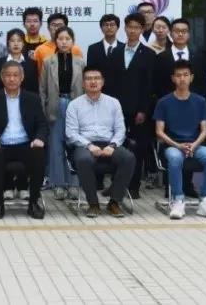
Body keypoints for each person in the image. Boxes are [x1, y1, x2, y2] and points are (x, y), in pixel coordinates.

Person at [0, 61, 48, 219]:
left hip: (25, 145)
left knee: (39, 152)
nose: (11, 79)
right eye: (8, 75)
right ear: (2, 77)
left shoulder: (32, 99)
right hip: (1, 145)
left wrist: (39, 139)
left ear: (22, 77)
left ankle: (33, 203)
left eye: (15, 75)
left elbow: (42, 125)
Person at [154, 60, 206, 220]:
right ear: (173, 78)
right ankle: (178, 200)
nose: (182, 79)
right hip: (172, 145)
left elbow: (204, 130)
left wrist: (194, 144)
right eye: (178, 75)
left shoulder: (200, 101)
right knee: (175, 158)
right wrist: (178, 145)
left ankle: (205, 201)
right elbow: (159, 132)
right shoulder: (164, 102)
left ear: (191, 77)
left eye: (185, 75)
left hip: (196, 144)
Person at [65, 67, 136, 218]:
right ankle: (93, 204)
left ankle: (114, 202)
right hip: (85, 144)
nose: (93, 82)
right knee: (83, 159)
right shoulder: (74, 105)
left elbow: (120, 130)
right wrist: (89, 145)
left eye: (96, 78)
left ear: (102, 82)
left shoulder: (113, 103)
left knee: (128, 158)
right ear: (83, 83)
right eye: (89, 79)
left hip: (109, 143)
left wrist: (113, 145)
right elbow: (71, 133)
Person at [114, 12, 156, 198]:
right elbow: (111, 82)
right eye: (130, 27)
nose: (133, 31)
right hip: (117, 109)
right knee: (118, 146)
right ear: (125, 28)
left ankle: (134, 185)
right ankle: (117, 184)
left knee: (137, 148)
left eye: (137, 27)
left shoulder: (149, 54)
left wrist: (143, 110)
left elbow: (149, 85)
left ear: (142, 29)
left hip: (139, 111)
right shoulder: (116, 52)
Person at [40, 26, 83, 199]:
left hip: (75, 106)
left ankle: (74, 184)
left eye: (67, 39)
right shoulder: (48, 61)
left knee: (74, 144)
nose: (64, 42)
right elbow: (42, 89)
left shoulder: (80, 62)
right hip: (55, 105)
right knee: (56, 146)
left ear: (73, 41)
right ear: (55, 41)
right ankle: (58, 183)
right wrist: (44, 110)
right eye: (60, 39)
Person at [86, 14, 121, 99]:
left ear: (117, 27)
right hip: (99, 93)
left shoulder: (124, 48)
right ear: (101, 28)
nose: (109, 27)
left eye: (112, 25)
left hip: (120, 93)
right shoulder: (93, 49)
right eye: (106, 25)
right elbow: (91, 72)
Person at [0, 29, 38, 94]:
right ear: (8, 43)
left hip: (26, 99)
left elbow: (34, 88)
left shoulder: (32, 64)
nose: (16, 44)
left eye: (19, 41)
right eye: (12, 41)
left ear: (23, 43)